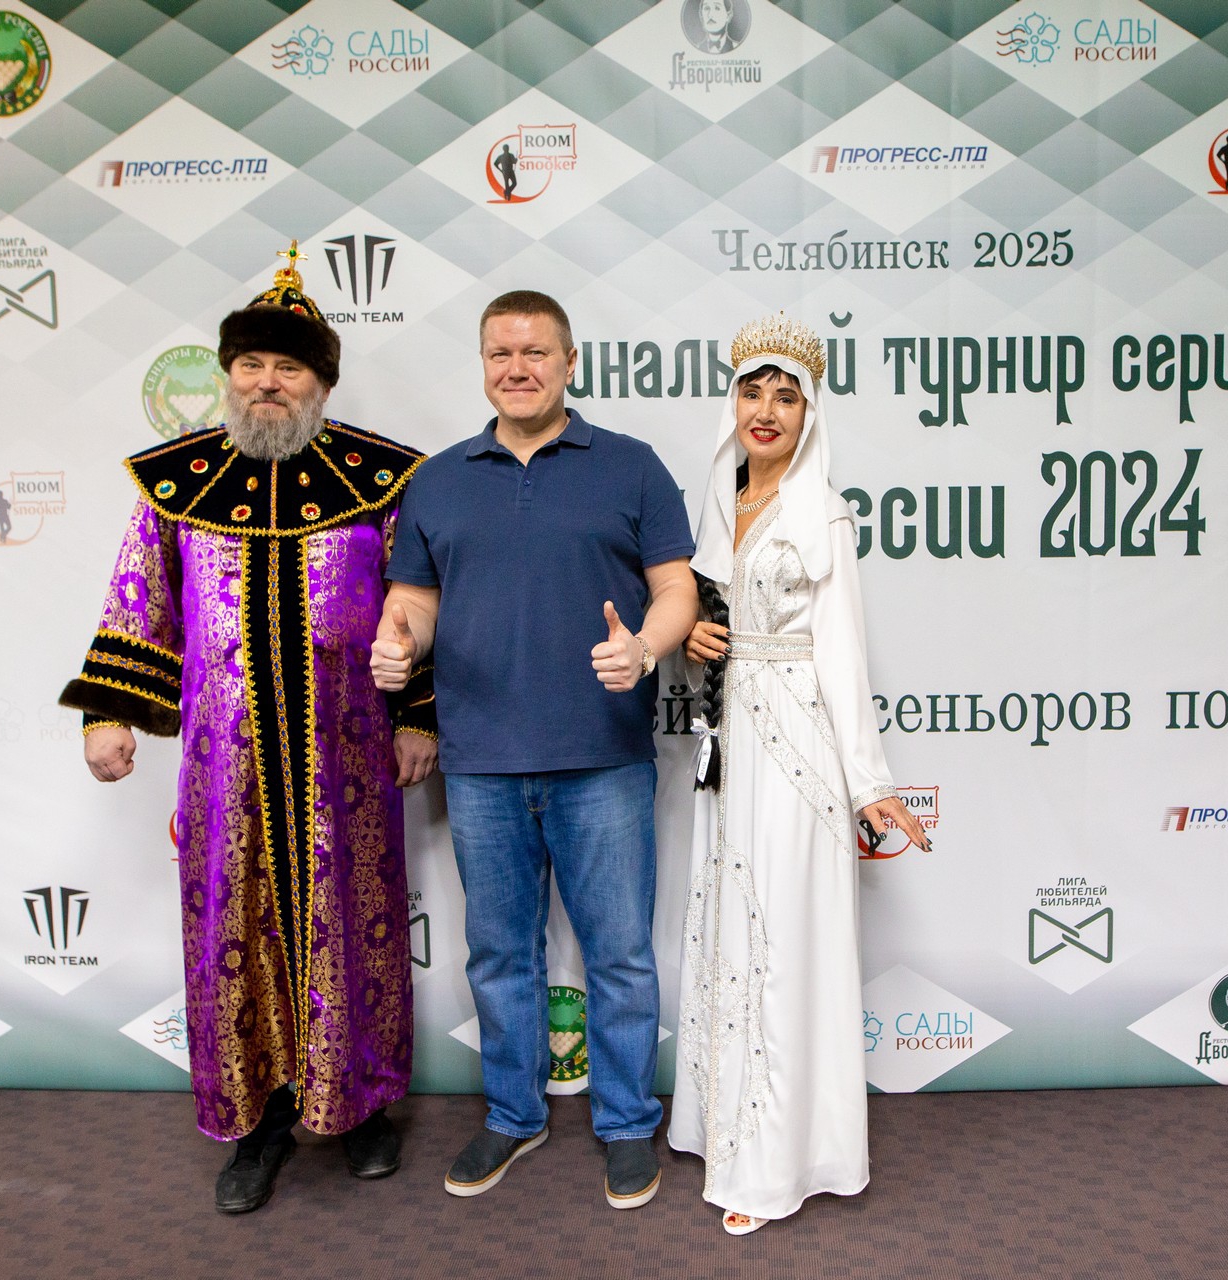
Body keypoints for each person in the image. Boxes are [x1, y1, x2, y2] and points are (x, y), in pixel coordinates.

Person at [60, 243, 437, 1215]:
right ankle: (260, 1121)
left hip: (348, 762)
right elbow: (138, 602)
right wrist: (108, 712)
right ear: (228, 375)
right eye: (252, 365)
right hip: (222, 772)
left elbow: (416, 606)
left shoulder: (379, 482)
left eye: (290, 367)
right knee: (235, 930)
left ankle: (360, 1107)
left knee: (353, 924)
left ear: (322, 382)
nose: (268, 381)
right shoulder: (176, 484)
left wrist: (418, 718)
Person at [371, 290, 697, 1211]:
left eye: (535, 352)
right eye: (499, 353)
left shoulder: (631, 465)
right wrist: (401, 643)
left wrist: (645, 649)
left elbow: (676, 589)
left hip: (603, 756)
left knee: (620, 955)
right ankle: (513, 1116)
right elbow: (416, 601)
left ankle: (626, 1124)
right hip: (480, 760)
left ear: (569, 362)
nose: (517, 368)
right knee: (498, 954)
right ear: (483, 364)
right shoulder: (438, 479)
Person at [669, 313, 930, 1236]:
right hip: (728, 743)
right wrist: (696, 639)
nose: (767, 410)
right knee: (731, 931)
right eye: (753, 391)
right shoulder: (719, 500)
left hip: (795, 748)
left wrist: (870, 783)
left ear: (809, 414)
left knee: (779, 942)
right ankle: (725, 1128)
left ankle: (772, 1167)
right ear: (733, 402)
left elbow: (843, 656)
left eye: (787, 396)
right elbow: (707, 613)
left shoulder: (824, 511)